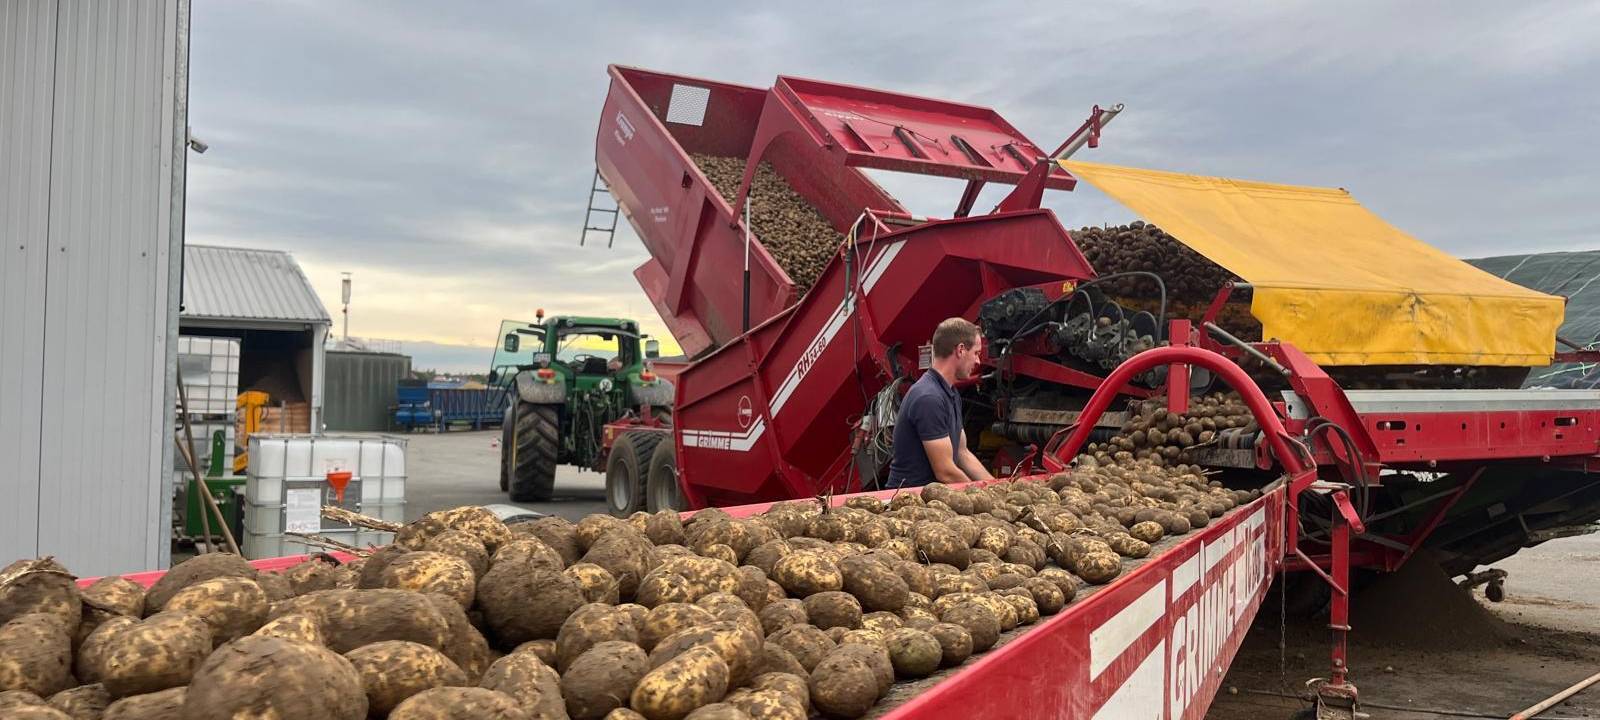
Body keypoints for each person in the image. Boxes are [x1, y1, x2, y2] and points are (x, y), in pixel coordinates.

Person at [886, 317, 996, 488]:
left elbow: (962, 453)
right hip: (910, 501)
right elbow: (945, 471)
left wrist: (996, 488)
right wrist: (983, 497)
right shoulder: (928, 398)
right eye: (976, 353)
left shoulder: (950, 393)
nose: (978, 361)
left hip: (935, 497)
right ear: (960, 350)